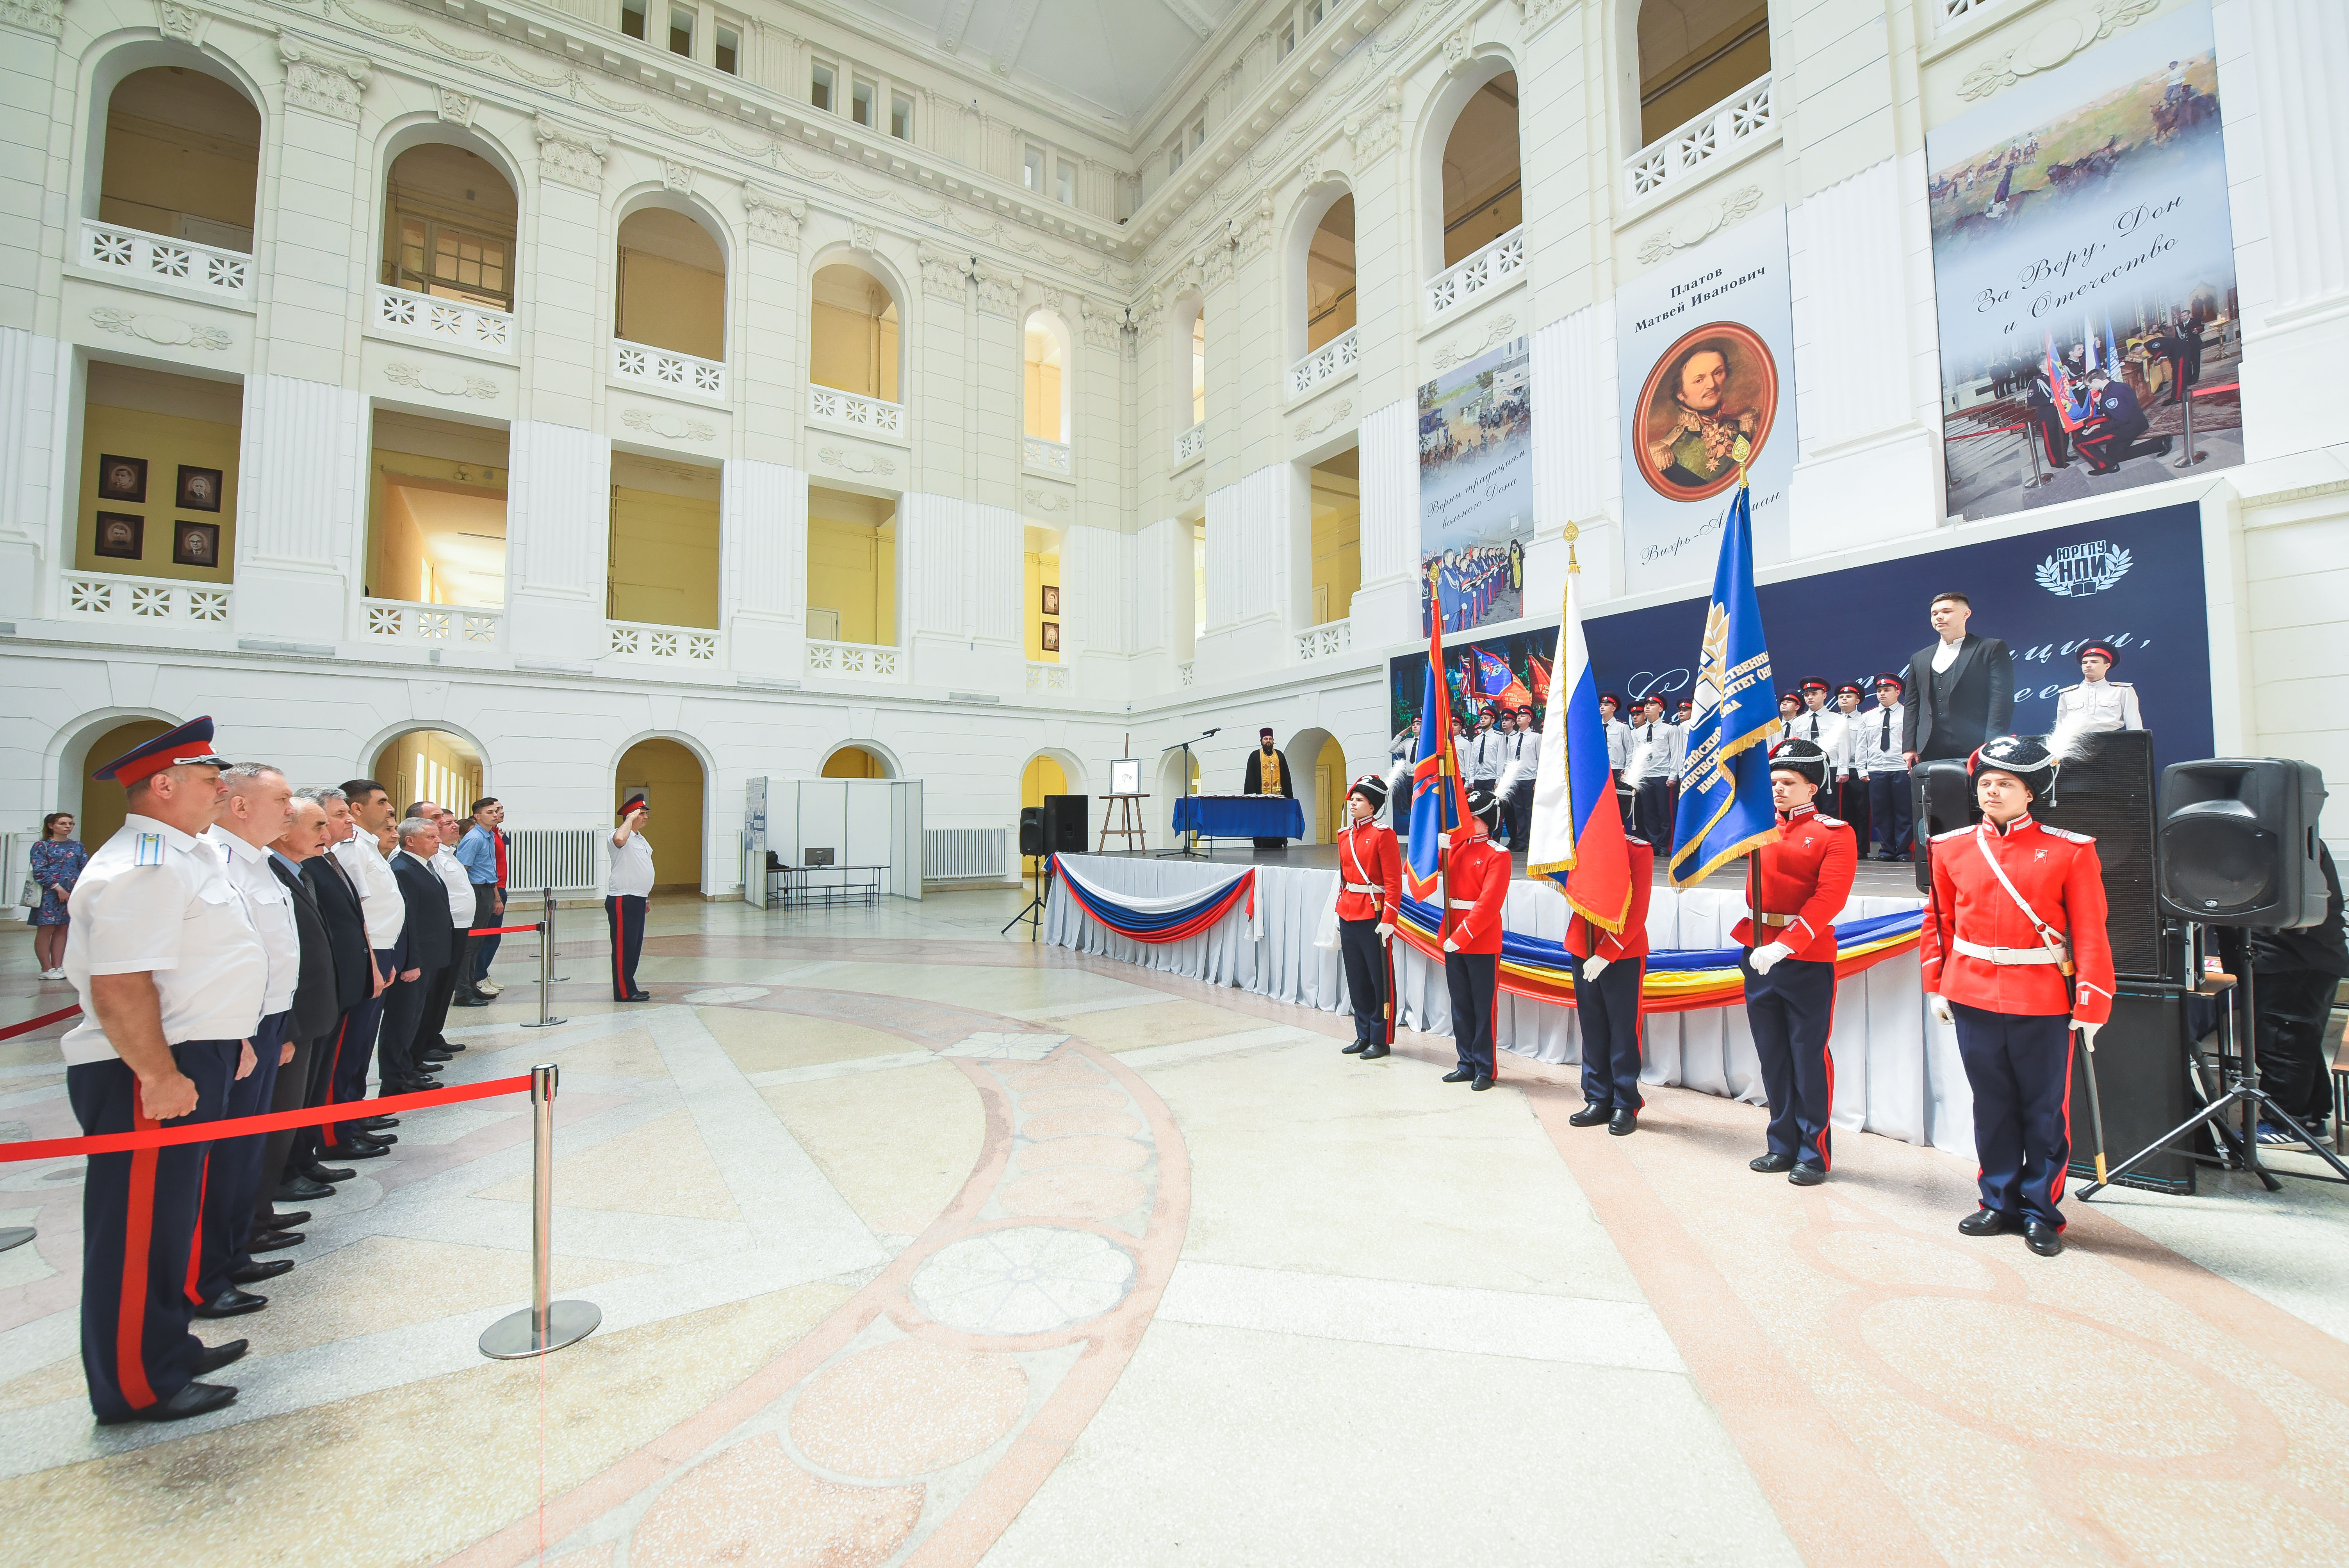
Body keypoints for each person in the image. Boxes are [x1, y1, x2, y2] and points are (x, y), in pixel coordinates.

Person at [59, 716, 260, 1424]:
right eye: (211, 781)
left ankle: (166, 1343)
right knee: (138, 1228)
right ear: (165, 785)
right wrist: (158, 1074)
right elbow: (121, 984)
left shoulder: (184, 853)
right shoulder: (146, 861)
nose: (221, 791)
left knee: (170, 1219)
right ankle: (138, 1382)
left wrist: (228, 1036)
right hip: (144, 1067)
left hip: (185, 1053)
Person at [1921, 735, 2114, 1257]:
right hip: (1972, 993)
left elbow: (2091, 932)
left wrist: (2093, 1002)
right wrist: (1936, 984)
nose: (1992, 791)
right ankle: (1998, 1201)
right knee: (1993, 1105)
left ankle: (2041, 1212)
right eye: (1985, 783)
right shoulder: (1951, 847)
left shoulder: (2071, 850)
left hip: (2043, 998)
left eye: (2006, 784)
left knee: (2043, 1111)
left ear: (2031, 793)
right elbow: (1939, 922)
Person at [189, 763, 300, 1321]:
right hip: (239, 1025)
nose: (290, 808)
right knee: (222, 1157)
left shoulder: (257, 863)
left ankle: (234, 1251)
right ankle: (207, 1274)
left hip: (266, 1020)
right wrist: (246, 1029)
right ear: (239, 806)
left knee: (246, 1149)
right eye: (281, 798)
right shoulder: (217, 860)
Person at [1737, 739, 1857, 1186]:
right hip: (1755, 948)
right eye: (1773, 782)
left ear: (1812, 787)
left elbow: (1829, 899)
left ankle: (1813, 1151)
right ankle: (1780, 1143)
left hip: (1803, 956)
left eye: (1788, 782)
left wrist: (1785, 945)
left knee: (1807, 1055)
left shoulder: (1833, 832)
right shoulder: (1756, 826)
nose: (1778, 789)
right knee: (1772, 1055)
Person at [250, 795, 340, 1254]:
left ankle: (260, 1212)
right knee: (267, 1122)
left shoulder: (291, 869)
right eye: (318, 823)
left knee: (289, 1114)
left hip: (298, 1013)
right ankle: (248, 1223)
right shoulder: (257, 866)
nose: (326, 832)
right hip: (277, 1021)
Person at [291, 786, 389, 1197]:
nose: (347, 819)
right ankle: (313, 1147)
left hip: (349, 978)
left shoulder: (327, 858)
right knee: (317, 1078)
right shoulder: (307, 865)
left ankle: (308, 1153)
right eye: (335, 815)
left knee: (332, 1070)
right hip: (328, 987)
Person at [326, 778, 408, 1153]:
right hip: (368, 954)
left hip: (381, 951)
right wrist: (374, 962)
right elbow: (353, 910)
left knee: (362, 1044)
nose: (391, 810)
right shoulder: (350, 848)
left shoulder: (368, 847)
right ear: (358, 809)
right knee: (350, 1044)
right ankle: (339, 1129)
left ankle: (355, 1113)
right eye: (383, 802)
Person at [2247, 842, 2345, 1146]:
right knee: (2301, 1040)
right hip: (2305, 956)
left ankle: (2284, 1123)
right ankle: (2312, 1119)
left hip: (2293, 958)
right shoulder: (2295, 828)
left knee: (2283, 1041)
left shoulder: (2281, 834)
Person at [1565, 830, 1656, 1134]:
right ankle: (1597, 1097)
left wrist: (1607, 952)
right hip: (1583, 942)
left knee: (1623, 1030)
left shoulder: (1637, 850)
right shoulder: (1580, 845)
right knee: (1592, 1025)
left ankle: (1625, 1102)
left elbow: (1638, 908)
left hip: (1622, 950)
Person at [1439, 786, 1511, 1092]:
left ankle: (1485, 1067)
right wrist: (1436, 850)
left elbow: (1489, 903)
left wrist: (1463, 935)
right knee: (1461, 1004)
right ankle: (1465, 1062)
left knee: (1483, 1007)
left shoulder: (1499, 854)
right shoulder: (1456, 847)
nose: (1468, 821)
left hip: (1478, 937)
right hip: (1452, 933)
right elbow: (1416, 873)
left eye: (1475, 817)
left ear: (1487, 820)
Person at [378, 818, 456, 1100]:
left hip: (429, 954)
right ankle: (395, 1077)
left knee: (414, 1016)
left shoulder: (423, 865)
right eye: (430, 837)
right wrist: (412, 961)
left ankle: (408, 1065)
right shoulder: (403, 869)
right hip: (416, 958)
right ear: (409, 840)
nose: (438, 841)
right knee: (401, 1018)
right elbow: (407, 920)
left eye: (438, 836)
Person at [1902, 592, 2015, 765]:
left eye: (1947, 611)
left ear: (1966, 614)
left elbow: (2001, 699)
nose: (1939, 617)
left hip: (1977, 744)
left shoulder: (1991, 648)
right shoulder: (1919, 658)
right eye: (1934, 614)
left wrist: (1993, 742)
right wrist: (1909, 747)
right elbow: (1912, 704)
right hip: (1929, 746)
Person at [1334, 775, 1402, 1060]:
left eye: (1360, 800)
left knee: (1379, 979)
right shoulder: (1344, 835)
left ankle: (1380, 1038)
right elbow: (1343, 878)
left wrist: (1389, 918)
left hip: (1373, 913)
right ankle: (1363, 1034)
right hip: (1348, 911)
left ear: (1372, 807)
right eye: (1353, 799)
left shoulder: (1383, 835)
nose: (1353, 804)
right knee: (1357, 978)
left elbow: (1393, 882)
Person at [456, 797, 508, 999]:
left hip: (486, 889)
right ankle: (464, 990)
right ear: (478, 817)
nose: (495, 815)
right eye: (490, 812)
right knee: (470, 945)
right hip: (476, 890)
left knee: (478, 942)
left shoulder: (487, 836)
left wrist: (495, 897)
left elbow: (490, 871)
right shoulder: (475, 838)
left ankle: (473, 985)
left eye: (496, 812)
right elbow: (463, 870)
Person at [1858, 674, 1913, 861]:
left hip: (1901, 768)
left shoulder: (1908, 714)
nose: (1882, 694)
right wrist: (1861, 769)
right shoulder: (1868, 716)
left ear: (1898, 692)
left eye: (1887, 690)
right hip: (1876, 769)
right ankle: (1887, 850)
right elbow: (1862, 745)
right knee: (1881, 813)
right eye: (1879, 691)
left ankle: (1903, 851)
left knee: (1904, 812)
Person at [2072, 371, 2171, 475]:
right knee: (2114, 457)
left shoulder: (2109, 395)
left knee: (2079, 443)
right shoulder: (2120, 386)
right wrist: (2099, 403)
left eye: (2090, 385)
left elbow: (2121, 419)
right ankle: (2160, 443)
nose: (2090, 388)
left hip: (2125, 429)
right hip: (2138, 424)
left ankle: (2108, 467)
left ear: (2096, 381)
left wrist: (2099, 426)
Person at [29, 811, 87, 979]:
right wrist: (57, 888)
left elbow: (84, 867)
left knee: (63, 929)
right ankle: (46, 969)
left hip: (71, 892)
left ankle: (58, 966)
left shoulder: (77, 846)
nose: (67, 827)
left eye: (70, 824)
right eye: (63, 823)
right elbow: (39, 871)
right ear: (51, 826)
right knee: (47, 929)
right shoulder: (42, 846)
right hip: (49, 893)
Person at [609, 792, 655, 1001]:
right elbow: (620, 839)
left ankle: (630, 986)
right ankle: (623, 992)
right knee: (623, 946)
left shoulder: (640, 839)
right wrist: (629, 818)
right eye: (642, 813)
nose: (646, 817)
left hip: (637, 898)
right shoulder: (617, 835)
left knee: (634, 946)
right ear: (631, 815)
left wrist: (645, 897)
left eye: (646, 813)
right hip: (623, 898)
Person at [1625, 697, 1681, 850]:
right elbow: (1633, 754)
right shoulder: (1638, 731)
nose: (1648, 708)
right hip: (1646, 775)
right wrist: (1632, 775)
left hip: (1662, 775)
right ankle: (1654, 844)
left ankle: (1665, 845)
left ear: (1661, 709)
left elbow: (1675, 752)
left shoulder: (1670, 729)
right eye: (1647, 705)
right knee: (1649, 813)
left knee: (1665, 812)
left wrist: (1672, 775)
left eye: (1652, 705)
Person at [2053, 643, 2142, 732]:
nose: (2088, 665)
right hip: (2078, 743)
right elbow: (2061, 727)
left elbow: (2134, 725)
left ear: (2107, 666)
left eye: (2094, 662)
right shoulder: (2068, 694)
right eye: (2085, 663)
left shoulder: (2123, 691)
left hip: (2113, 742)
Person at [1832, 683, 1871, 850]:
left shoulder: (1865, 719)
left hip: (1857, 769)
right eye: (1841, 697)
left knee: (1862, 811)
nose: (1844, 700)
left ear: (1858, 700)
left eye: (1848, 696)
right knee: (1843, 811)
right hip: (1837, 770)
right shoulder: (1833, 721)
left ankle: (1861, 848)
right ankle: (1845, 847)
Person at [1240, 727, 1295, 849]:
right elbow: (1250, 779)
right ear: (1261, 741)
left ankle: (1280, 841)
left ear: (1273, 740)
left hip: (1278, 800)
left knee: (1278, 822)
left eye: (1270, 739)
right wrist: (1251, 798)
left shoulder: (1280, 756)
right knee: (1262, 822)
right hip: (1261, 800)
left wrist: (1289, 798)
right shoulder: (1255, 756)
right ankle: (1261, 843)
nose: (1268, 741)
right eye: (1266, 739)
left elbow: (1286, 778)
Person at [2024, 367, 2071, 471]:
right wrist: (2050, 400)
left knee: (2063, 435)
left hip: (2061, 412)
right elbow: (2031, 401)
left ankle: (2064, 456)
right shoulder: (2037, 381)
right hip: (2047, 414)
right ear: (2041, 366)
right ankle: (2055, 461)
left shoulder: (2057, 376)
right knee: (2051, 439)